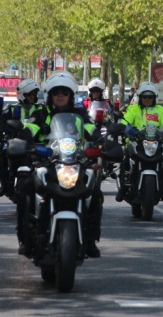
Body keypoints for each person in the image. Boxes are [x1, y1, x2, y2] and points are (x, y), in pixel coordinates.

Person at [23, 71, 104, 258]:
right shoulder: (41, 113)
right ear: (50, 95)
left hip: (75, 161)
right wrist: (23, 139)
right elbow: (30, 128)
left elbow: (91, 129)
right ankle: (27, 238)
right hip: (48, 162)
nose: (60, 95)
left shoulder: (80, 114)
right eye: (56, 92)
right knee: (26, 190)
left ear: (70, 95)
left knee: (96, 194)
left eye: (64, 92)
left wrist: (102, 141)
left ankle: (90, 240)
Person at [115, 81, 163, 203]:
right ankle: (122, 188)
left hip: (155, 143)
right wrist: (123, 127)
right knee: (125, 159)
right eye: (144, 96)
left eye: (150, 97)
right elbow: (125, 121)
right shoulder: (133, 109)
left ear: (154, 98)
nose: (147, 99)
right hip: (136, 142)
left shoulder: (159, 110)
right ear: (140, 97)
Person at [0, 79, 45, 198]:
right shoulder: (11, 108)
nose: (32, 97)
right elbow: (3, 121)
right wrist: (0, 127)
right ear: (23, 95)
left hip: (37, 142)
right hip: (16, 142)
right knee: (2, 154)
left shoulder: (41, 109)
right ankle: (4, 184)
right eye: (29, 94)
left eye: (34, 94)